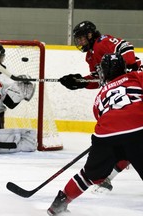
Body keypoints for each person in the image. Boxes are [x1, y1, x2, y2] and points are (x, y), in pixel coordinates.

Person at [47, 53, 143, 215]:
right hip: (138, 128)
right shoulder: (136, 76)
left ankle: (59, 205)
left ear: (103, 73)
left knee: (89, 175)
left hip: (105, 134)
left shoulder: (100, 96)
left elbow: (103, 119)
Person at [59, 20, 142, 192]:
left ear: (90, 35)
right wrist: (80, 81)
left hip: (137, 79)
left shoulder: (101, 42)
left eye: (81, 38)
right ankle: (108, 178)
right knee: (130, 139)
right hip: (128, 88)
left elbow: (126, 47)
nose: (79, 42)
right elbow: (100, 79)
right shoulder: (90, 56)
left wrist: (128, 67)